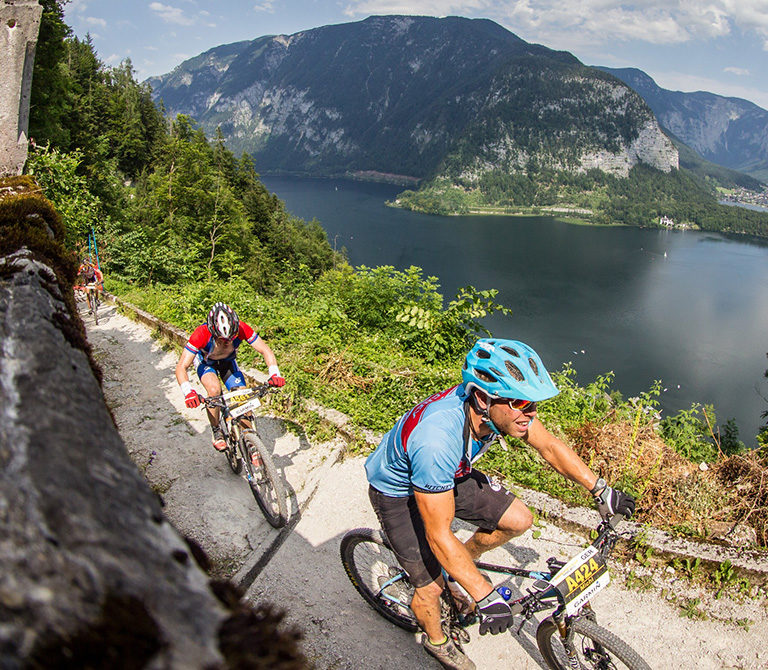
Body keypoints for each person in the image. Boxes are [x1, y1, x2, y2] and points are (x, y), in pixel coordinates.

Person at [364, 338, 635, 670]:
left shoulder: (498, 413)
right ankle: (438, 643)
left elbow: (549, 446)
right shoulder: (438, 439)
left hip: (449, 473)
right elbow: (437, 534)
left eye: (534, 405)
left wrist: (601, 490)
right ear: (482, 398)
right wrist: (483, 593)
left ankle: (460, 565)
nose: (531, 415)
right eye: (522, 403)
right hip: (398, 491)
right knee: (431, 587)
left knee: (519, 519)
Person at [175, 302, 285, 451]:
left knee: (242, 395)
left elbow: (265, 350)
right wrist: (188, 391)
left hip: (228, 362)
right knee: (214, 391)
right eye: (221, 339)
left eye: (231, 338)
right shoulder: (201, 334)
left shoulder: (242, 328)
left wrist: (274, 373)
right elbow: (182, 366)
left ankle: (250, 442)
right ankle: (217, 431)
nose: (226, 342)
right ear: (213, 331)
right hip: (207, 363)